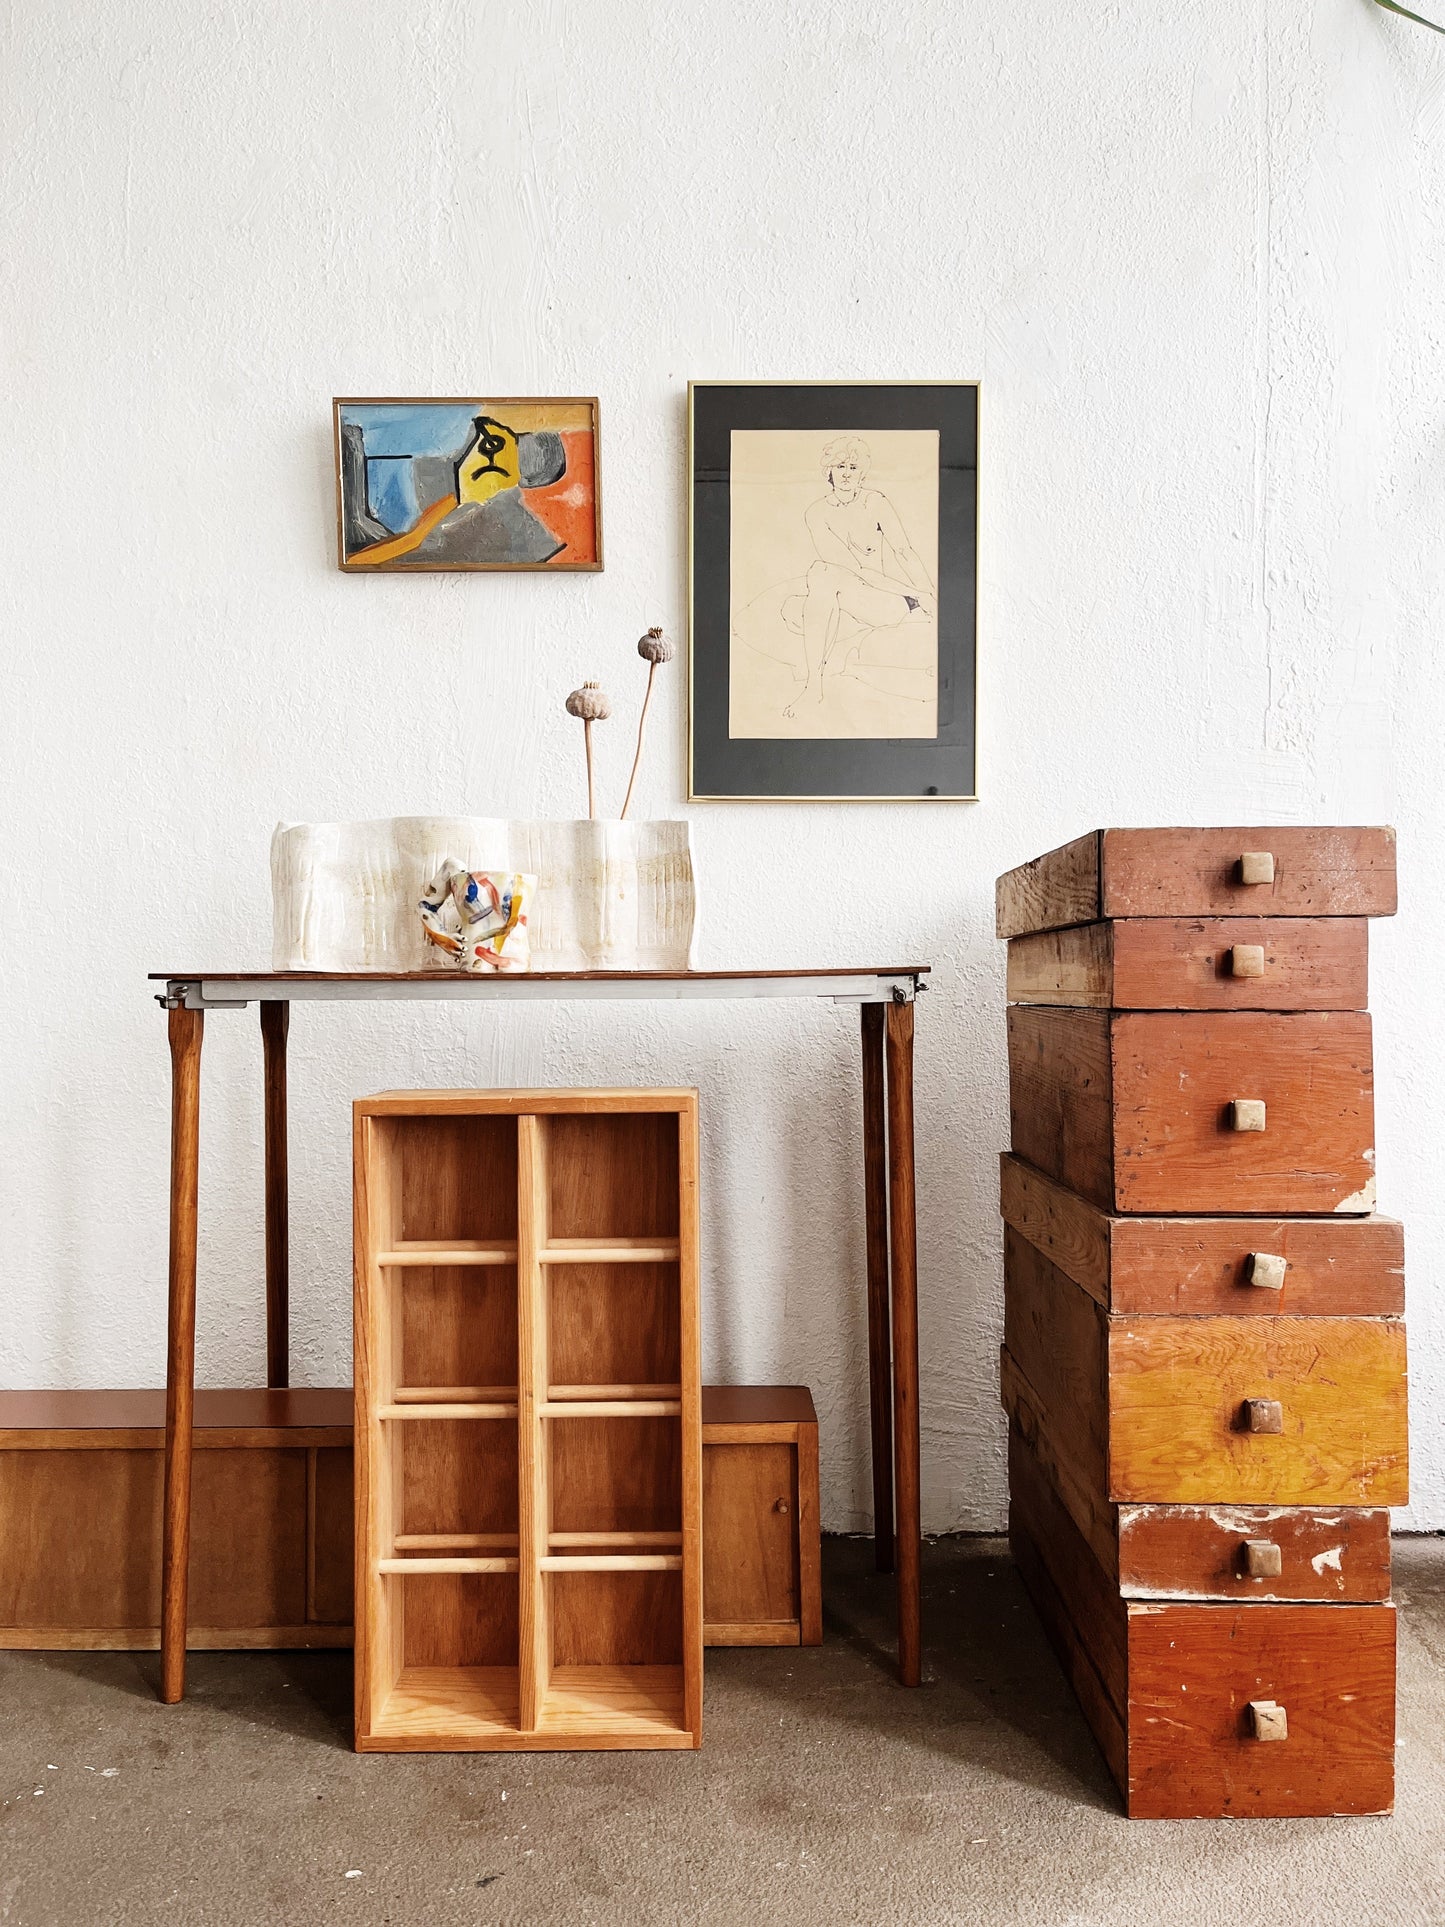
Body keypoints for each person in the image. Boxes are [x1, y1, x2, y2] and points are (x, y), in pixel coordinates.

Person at [795, 435, 936, 704]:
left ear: (862, 473)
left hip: (882, 602)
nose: (846, 474)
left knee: (820, 576)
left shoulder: (876, 502)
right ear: (829, 471)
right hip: (848, 593)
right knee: (822, 572)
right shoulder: (816, 513)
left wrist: (929, 594)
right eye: (840, 466)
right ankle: (815, 683)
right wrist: (916, 592)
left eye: (853, 467)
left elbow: (904, 552)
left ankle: (814, 684)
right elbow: (855, 569)